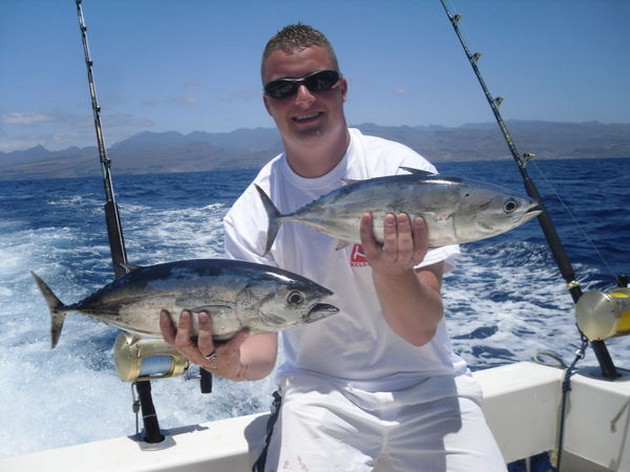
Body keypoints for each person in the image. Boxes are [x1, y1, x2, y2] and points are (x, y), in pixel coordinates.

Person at [160, 24, 506, 471]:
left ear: (341, 90)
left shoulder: (405, 173)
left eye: (319, 82)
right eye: (283, 89)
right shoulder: (251, 215)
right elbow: (261, 353)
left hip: (431, 386)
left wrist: (392, 271)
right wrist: (220, 360)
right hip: (318, 393)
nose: (303, 98)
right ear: (268, 104)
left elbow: (421, 329)